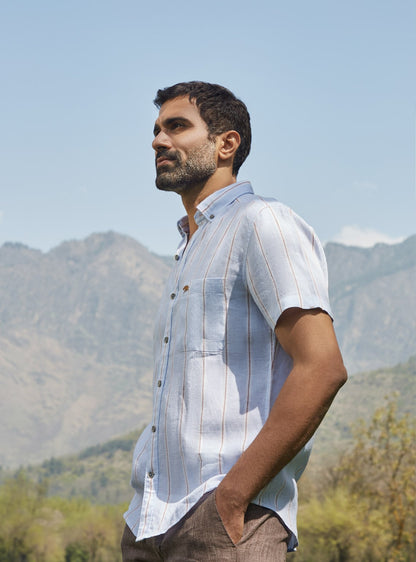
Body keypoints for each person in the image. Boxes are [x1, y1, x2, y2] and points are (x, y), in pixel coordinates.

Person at [121, 81, 347, 561]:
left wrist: (234, 495)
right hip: (149, 523)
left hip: (225, 521)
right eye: (156, 130)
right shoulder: (189, 247)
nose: (158, 140)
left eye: (176, 126)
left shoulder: (263, 222)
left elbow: (323, 367)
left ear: (227, 144)